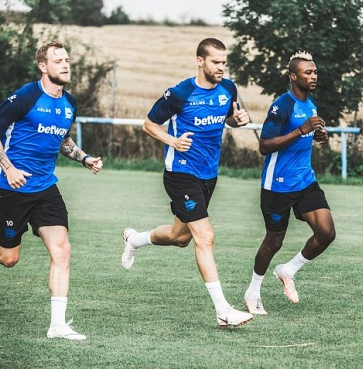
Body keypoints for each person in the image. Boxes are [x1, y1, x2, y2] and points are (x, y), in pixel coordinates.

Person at [0, 40, 103, 340]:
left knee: (62, 250)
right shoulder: (27, 96)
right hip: (11, 187)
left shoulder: (69, 103)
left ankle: (57, 325)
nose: (65, 65)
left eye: (67, 59)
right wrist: (8, 168)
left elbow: (63, 141)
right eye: (58, 61)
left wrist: (84, 158)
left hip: (45, 188)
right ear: (43, 66)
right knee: (8, 257)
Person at [120, 38, 253, 328]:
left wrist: (237, 119)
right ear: (200, 61)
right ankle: (223, 311)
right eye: (215, 62)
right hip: (181, 174)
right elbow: (149, 124)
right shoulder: (180, 93)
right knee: (205, 237)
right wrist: (173, 141)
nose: (221, 67)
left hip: (208, 174)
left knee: (181, 238)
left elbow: (228, 118)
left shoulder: (228, 88)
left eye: (224, 62)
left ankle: (135, 239)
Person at [243, 51, 336, 315]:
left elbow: (306, 135)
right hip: (278, 185)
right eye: (308, 72)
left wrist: (318, 135)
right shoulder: (281, 106)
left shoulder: (311, 103)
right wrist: (301, 130)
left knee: (326, 233)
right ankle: (252, 292)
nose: (314, 76)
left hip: (305, 180)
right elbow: (264, 146)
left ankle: (288, 270)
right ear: (294, 77)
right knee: (274, 242)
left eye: (315, 71)